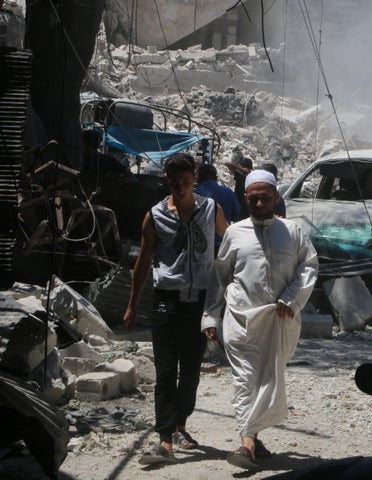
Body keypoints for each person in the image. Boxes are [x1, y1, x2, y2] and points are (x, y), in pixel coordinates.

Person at [202, 169, 318, 470]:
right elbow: (220, 276)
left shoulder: (293, 232)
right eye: (253, 199)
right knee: (244, 379)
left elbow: (308, 267)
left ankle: (254, 436)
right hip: (241, 319)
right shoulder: (234, 233)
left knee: (268, 378)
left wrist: (292, 299)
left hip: (280, 321)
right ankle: (247, 442)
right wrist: (210, 317)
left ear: (276, 197)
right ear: (245, 199)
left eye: (265, 198)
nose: (259, 204)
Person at [123, 153, 228, 466]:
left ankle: (181, 424)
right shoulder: (154, 216)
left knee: (191, 372)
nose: (181, 188)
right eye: (175, 183)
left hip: (199, 303)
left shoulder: (211, 209)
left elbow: (233, 239)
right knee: (166, 371)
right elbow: (142, 263)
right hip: (166, 302)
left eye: (186, 182)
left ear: (195, 179)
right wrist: (131, 306)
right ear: (166, 181)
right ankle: (165, 439)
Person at [195, 163, 241, 252]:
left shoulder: (192, 196)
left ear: (197, 178)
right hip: (222, 246)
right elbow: (236, 215)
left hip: (198, 247)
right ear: (216, 177)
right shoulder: (228, 193)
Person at [225, 151, 253, 220]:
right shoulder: (250, 176)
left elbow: (229, 164)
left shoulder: (241, 175)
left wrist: (239, 168)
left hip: (241, 202)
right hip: (246, 203)